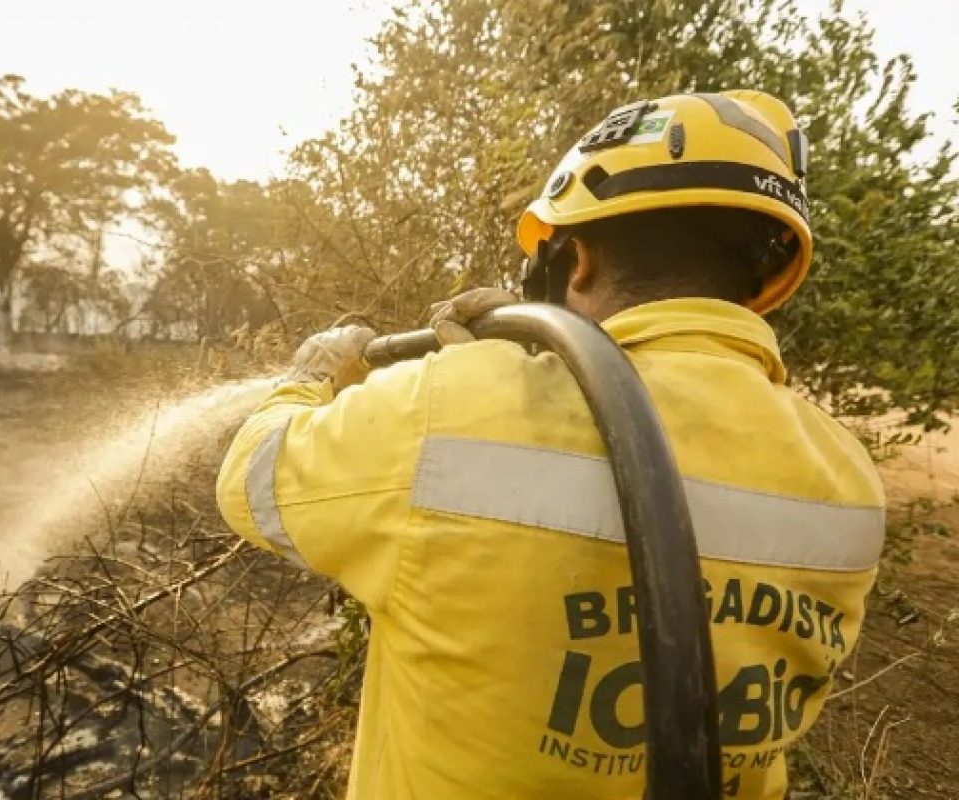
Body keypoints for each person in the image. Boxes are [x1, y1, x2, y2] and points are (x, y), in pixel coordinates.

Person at [216, 90, 884, 800]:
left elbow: (252, 477)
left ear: (582, 258)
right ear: (760, 281)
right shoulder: (848, 477)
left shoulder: (447, 408)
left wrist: (312, 375)